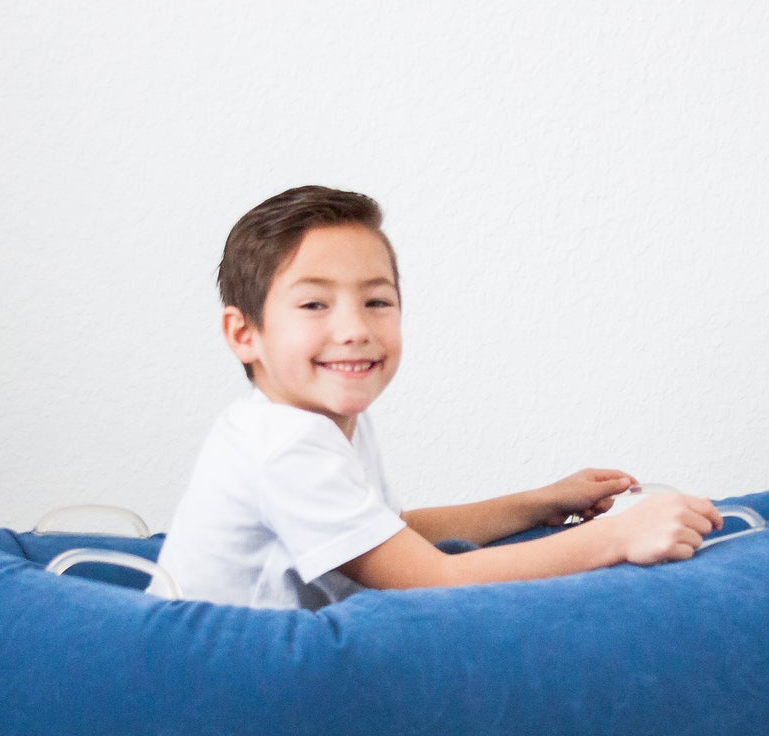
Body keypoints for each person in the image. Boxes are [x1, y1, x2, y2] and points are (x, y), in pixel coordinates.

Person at [150, 185, 722, 609]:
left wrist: (541, 502)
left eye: (377, 302)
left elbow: (389, 535)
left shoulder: (328, 418)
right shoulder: (283, 444)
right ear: (243, 334)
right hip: (220, 679)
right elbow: (433, 580)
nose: (355, 329)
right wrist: (617, 536)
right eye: (314, 305)